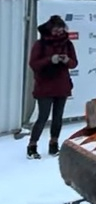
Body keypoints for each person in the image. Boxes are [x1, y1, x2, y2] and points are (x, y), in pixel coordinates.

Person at [26, 15, 77, 159]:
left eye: (61, 30)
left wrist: (67, 60)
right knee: (42, 116)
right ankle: (32, 145)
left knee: (58, 117)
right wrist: (50, 60)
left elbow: (74, 63)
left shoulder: (68, 44)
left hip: (62, 85)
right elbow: (33, 63)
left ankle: (54, 144)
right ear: (50, 29)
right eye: (56, 30)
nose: (59, 33)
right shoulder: (40, 44)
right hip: (45, 86)